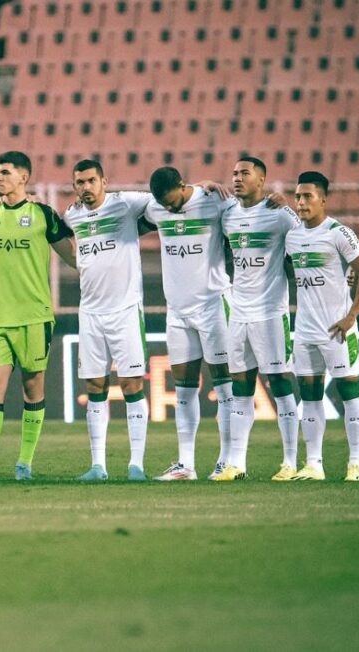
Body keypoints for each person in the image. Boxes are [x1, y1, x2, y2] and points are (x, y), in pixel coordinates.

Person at [0, 151, 76, 482]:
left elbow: (72, 256)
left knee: (32, 387)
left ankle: (24, 462)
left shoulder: (42, 214)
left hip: (34, 316)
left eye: (5, 172)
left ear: (23, 177)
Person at [62, 160, 152, 482]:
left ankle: (136, 464)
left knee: (131, 385)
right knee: (95, 386)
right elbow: (61, 241)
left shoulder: (126, 203)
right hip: (90, 312)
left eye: (90, 181)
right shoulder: (72, 215)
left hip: (126, 309)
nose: (85, 187)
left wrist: (202, 187)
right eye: (79, 182)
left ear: (104, 181)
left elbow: (164, 199)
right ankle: (98, 465)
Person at [145, 167, 237, 481]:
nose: (169, 209)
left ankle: (228, 461)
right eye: (165, 206)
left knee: (225, 387)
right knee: (184, 389)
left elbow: (249, 211)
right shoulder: (155, 207)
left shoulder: (215, 201)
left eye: (173, 203)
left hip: (214, 306)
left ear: (183, 187)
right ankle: (186, 465)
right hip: (178, 312)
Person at [286, 171, 359, 481]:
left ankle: (355, 464)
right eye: (297, 196)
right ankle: (314, 464)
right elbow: (291, 270)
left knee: (349, 390)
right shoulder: (293, 236)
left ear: (323, 199)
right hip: (306, 329)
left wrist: (352, 315)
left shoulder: (339, 232)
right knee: (309, 396)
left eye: (308, 196)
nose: (301, 202)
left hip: (337, 327)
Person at [220, 157, 302, 481]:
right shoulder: (228, 215)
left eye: (245, 173)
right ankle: (237, 464)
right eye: (235, 174)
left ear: (262, 178)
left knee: (280, 384)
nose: (237, 178)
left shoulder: (280, 215)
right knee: (240, 388)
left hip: (270, 312)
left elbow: (308, 239)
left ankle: (291, 462)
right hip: (238, 312)